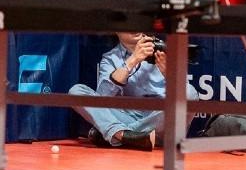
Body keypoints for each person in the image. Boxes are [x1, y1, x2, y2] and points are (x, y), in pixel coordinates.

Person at [67, 33, 198, 151]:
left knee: (189, 92)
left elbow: (184, 95)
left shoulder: (164, 49)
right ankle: (128, 136)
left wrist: (169, 74)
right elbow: (101, 100)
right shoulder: (110, 58)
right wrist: (132, 60)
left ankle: (120, 134)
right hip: (126, 115)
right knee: (76, 92)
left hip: (161, 121)